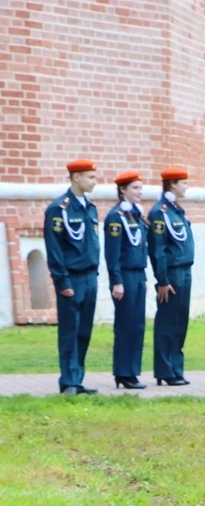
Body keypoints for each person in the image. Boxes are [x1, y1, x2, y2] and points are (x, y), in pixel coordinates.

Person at [44, 159, 101, 396]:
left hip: (90, 276)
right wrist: (62, 280)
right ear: (76, 177)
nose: (94, 182)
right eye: (90, 177)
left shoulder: (90, 207)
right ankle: (68, 381)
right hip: (72, 278)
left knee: (84, 331)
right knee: (70, 330)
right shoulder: (60, 209)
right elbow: (54, 248)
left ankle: (77, 379)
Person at [148, 167, 196, 387]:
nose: (186, 186)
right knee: (168, 322)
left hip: (185, 270)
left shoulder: (176, 210)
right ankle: (164, 369)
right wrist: (163, 280)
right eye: (183, 183)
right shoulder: (160, 212)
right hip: (172, 273)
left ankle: (175, 368)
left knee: (180, 322)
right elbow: (158, 250)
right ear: (172, 184)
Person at [104, 171, 149, 390]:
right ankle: (123, 372)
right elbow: (112, 253)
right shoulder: (116, 217)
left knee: (137, 325)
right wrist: (116, 281)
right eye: (134, 188)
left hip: (138, 273)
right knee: (126, 325)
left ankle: (132, 371)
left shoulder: (135, 214)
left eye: (140, 188)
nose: (139, 192)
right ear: (122, 190)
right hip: (125, 275)